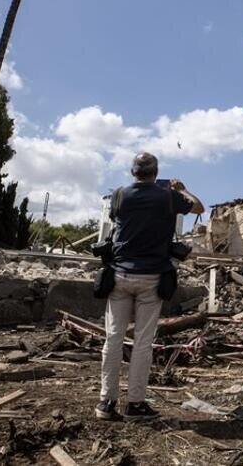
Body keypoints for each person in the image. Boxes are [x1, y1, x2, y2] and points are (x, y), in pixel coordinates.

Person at [96, 151, 204, 422]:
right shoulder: (169, 196)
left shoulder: (120, 195)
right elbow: (200, 207)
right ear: (156, 173)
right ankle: (135, 404)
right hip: (151, 278)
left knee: (113, 339)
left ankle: (106, 403)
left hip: (119, 275)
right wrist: (183, 189)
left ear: (133, 172)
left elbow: (115, 218)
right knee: (143, 343)